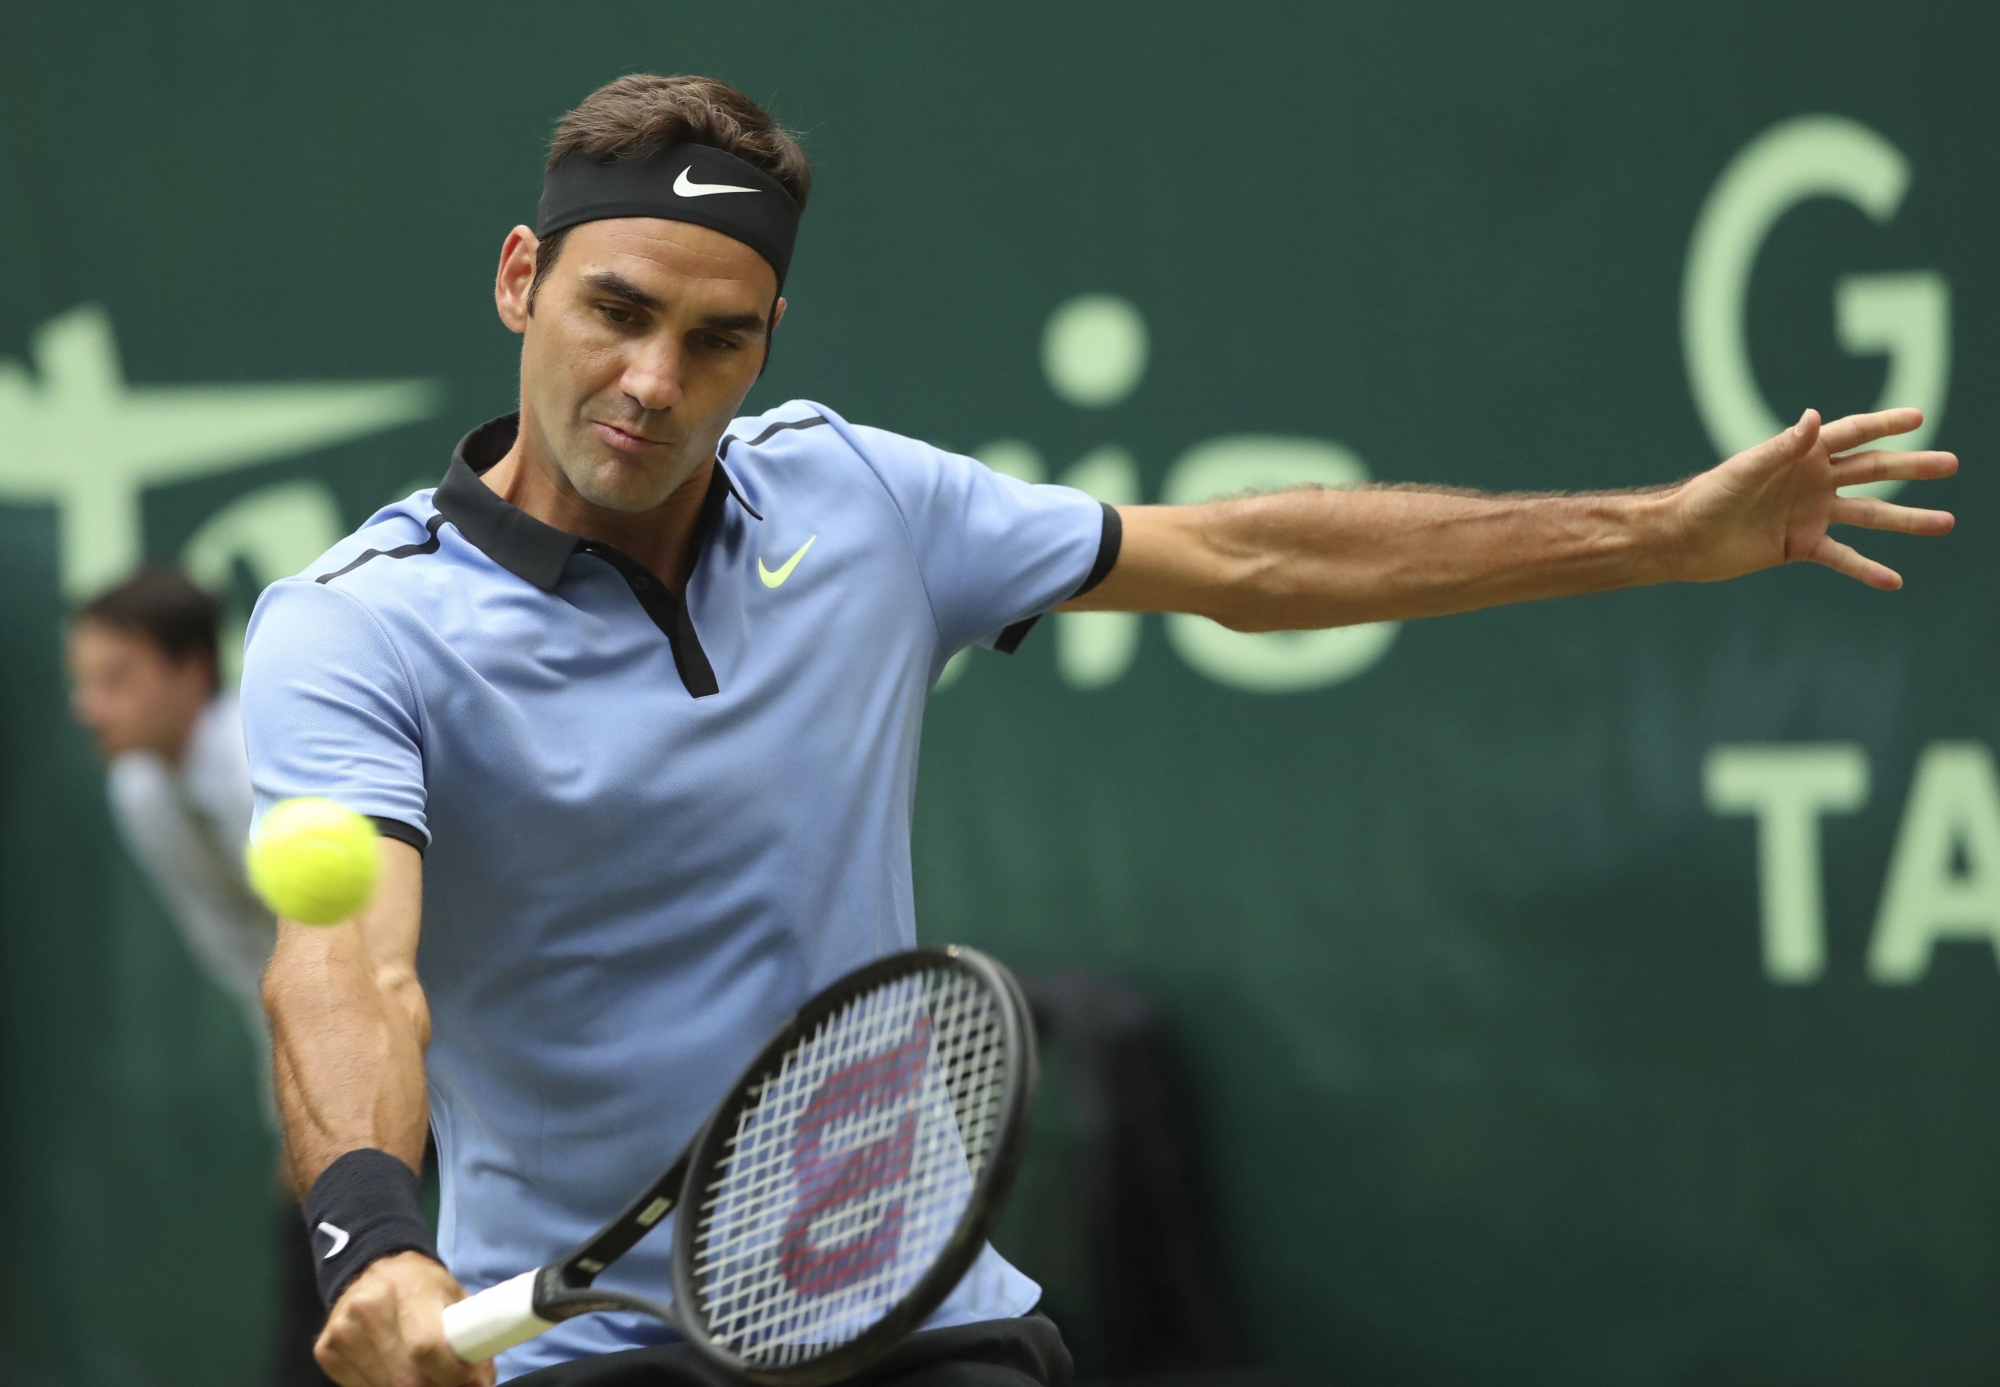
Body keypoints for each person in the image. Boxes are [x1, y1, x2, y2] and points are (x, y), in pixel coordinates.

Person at [240, 74, 1957, 1387]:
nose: (653, 380)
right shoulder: (358, 625)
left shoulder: (860, 500)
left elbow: (1249, 557)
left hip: (902, 1312)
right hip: (579, 1347)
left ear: (768, 343)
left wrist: (1664, 531)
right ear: (523, 280)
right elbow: (350, 967)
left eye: (716, 337)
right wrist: (370, 1239)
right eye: (616, 310)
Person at [67, 567, 334, 1387]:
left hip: (435, 1018)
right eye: (84, 683)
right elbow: (240, 952)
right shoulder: (139, 791)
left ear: (191, 675)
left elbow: (360, 937)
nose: (90, 708)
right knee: (312, 1261)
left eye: (116, 680)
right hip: (325, 1038)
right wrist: (294, 1095)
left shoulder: (268, 763)